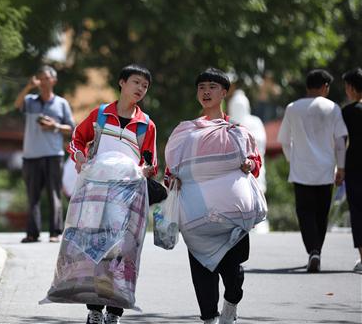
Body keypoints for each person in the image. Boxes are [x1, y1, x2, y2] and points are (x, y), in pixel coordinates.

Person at [164, 68, 264, 324]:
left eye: (212, 86)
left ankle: (231, 302)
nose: (206, 91)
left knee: (234, 273)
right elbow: (172, 168)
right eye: (201, 87)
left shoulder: (236, 130)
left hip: (231, 219)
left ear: (224, 92)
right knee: (201, 271)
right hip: (196, 218)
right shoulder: (186, 133)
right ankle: (209, 317)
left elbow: (255, 161)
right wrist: (171, 180)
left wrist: (250, 166)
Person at [68, 64, 158, 324]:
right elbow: (76, 139)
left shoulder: (146, 125)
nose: (140, 88)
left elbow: (150, 161)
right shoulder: (100, 115)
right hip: (95, 194)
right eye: (136, 82)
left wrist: (147, 170)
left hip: (128, 197)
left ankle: (114, 312)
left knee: (122, 253)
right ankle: (95, 310)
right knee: (95, 250)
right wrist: (80, 156)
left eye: (145, 85)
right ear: (122, 83)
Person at [277, 69, 348, 272]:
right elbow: (340, 141)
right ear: (325, 87)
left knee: (305, 212)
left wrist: (293, 159)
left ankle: (313, 251)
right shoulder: (333, 108)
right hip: (325, 170)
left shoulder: (293, 108)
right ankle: (316, 251)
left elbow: (284, 140)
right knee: (321, 214)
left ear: (308, 86)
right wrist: (341, 168)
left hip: (301, 171)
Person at [14, 65, 75, 244]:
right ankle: (32, 233)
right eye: (39, 78)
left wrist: (54, 126)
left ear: (53, 81)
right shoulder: (30, 100)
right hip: (30, 155)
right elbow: (17, 105)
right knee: (32, 196)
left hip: (53, 155)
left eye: (45, 78)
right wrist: (27, 87)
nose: (42, 81)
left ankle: (55, 232)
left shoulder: (61, 103)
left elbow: (71, 128)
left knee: (53, 193)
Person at [228, 87, 269, 233]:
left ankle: (258, 220)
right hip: (234, 168)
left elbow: (261, 141)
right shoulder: (227, 122)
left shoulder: (254, 121)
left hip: (251, 164)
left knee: (255, 194)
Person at [341, 68, 362, 272]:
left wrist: (339, 168)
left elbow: (340, 141)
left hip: (355, 165)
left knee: (357, 210)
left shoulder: (348, 112)